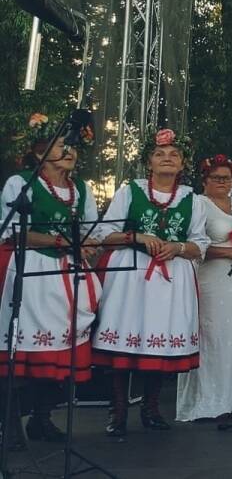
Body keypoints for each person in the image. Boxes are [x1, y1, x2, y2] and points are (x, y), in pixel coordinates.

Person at [94, 129, 210, 436]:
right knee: (124, 338)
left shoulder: (193, 200)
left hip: (171, 279)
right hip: (130, 276)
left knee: (160, 337)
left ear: (183, 163)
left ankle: (151, 408)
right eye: (160, 154)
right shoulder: (129, 191)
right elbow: (105, 235)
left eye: (174, 154)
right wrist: (137, 237)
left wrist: (178, 247)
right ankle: (118, 411)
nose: (167, 158)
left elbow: (200, 244)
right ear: (149, 161)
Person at [0, 115, 101, 446]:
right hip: (31, 271)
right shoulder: (21, 183)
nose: (69, 151)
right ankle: (10, 423)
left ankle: (41, 418)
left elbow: (92, 230)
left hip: (67, 275)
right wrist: (62, 242)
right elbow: (14, 232)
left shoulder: (81, 189)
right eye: (61, 146)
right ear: (39, 151)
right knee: (24, 348)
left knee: (60, 350)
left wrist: (87, 243)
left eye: (72, 146)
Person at [176, 155, 232, 421]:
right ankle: (212, 398)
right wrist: (227, 252)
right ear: (205, 180)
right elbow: (194, 245)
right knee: (215, 334)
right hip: (215, 279)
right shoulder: (199, 204)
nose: (222, 182)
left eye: (226, 178)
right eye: (216, 178)